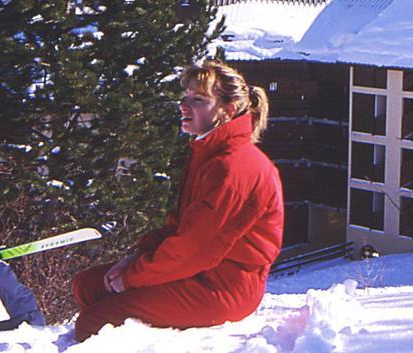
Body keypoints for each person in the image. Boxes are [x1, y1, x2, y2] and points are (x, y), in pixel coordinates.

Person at [71, 61, 284, 341]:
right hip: (201, 272)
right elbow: (180, 227)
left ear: (227, 110)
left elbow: (195, 249)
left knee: (94, 322)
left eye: (198, 100)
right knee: (88, 286)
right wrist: (135, 257)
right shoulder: (209, 153)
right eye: (184, 98)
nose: (184, 106)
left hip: (224, 288)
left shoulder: (234, 167)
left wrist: (132, 277)